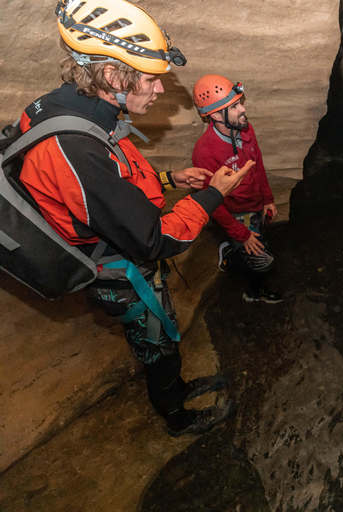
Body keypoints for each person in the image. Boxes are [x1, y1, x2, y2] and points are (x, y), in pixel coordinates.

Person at [18, 0, 249, 437]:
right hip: (118, 273)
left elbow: (106, 188)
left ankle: (176, 390)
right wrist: (212, 194)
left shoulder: (68, 109)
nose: (159, 90)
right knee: (157, 347)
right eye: (149, 79)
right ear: (111, 76)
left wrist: (168, 177)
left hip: (112, 244)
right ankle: (176, 417)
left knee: (161, 342)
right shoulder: (76, 148)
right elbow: (154, 239)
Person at [191, 74, 282, 303]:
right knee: (262, 261)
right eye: (234, 107)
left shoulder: (245, 129)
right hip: (236, 214)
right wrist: (240, 233)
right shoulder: (205, 151)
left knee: (260, 244)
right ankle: (253, 289)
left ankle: (232, 251)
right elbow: (211, 202)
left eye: (240, 102)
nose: (242, 110)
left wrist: (267, 199)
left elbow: (257, 164)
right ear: (214, 115)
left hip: (254, 204)